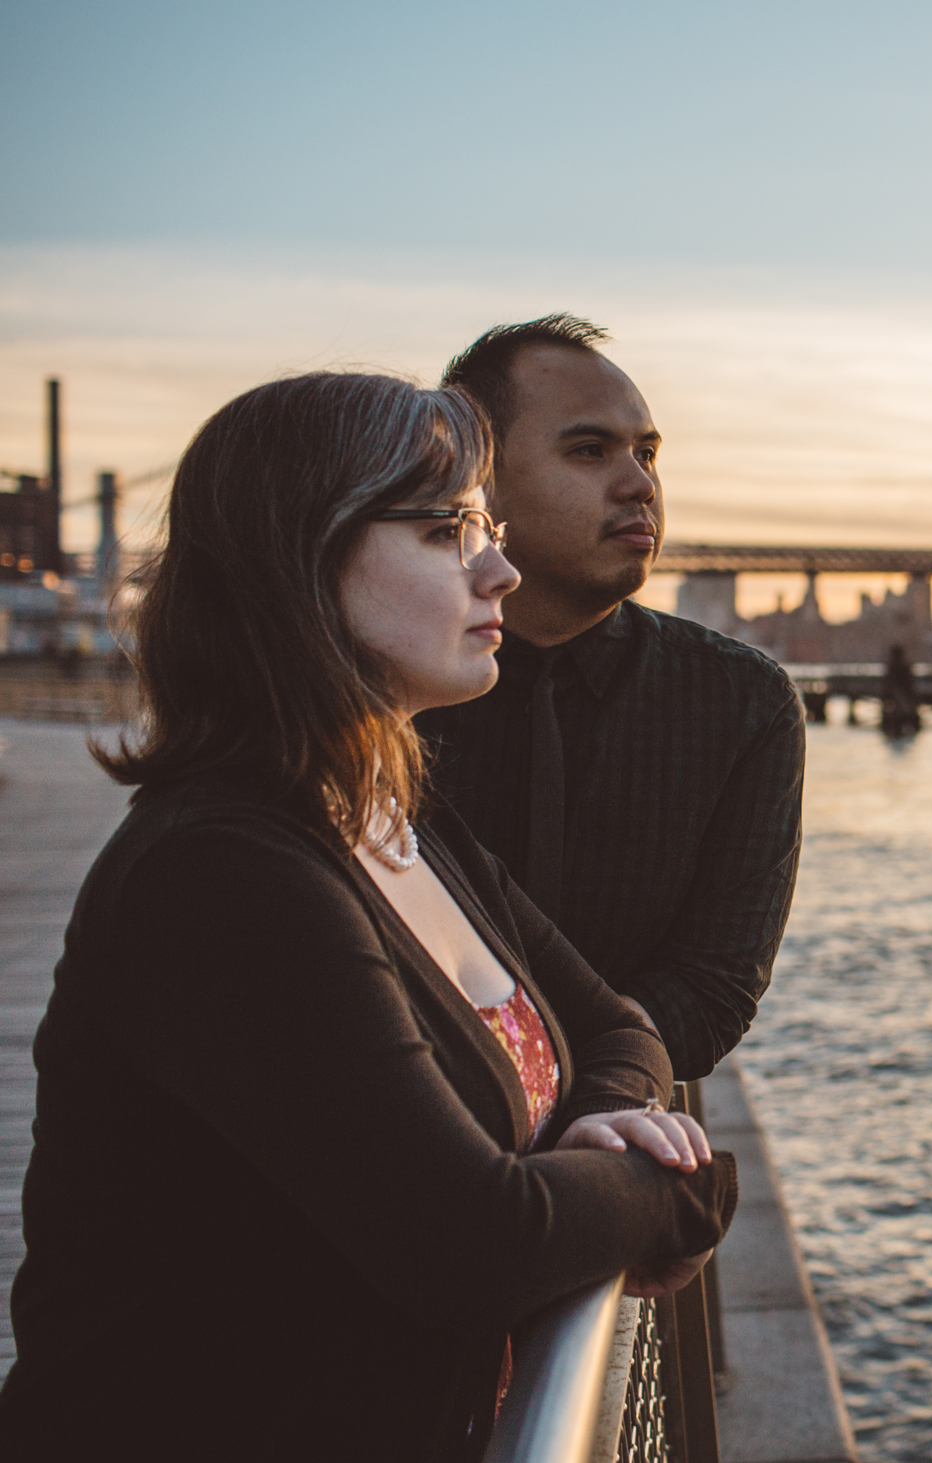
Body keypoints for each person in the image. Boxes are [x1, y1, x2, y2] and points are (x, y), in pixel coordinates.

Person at [0, 374, 738, 1462]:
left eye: (483, 523)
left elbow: (620, 1024)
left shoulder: (395, 815)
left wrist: (591, 1128)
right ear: (299, 561)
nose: (500, 566)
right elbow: (474, 1241)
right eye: (447, 531)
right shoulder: (222, 871)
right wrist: (672, 1190)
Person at [417, 316, 804, 1083]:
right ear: (476, 478)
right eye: (590, 451)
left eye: (648, 453)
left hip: (626, 1147)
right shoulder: (386, 689)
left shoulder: (743, 705)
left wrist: (584, 1094)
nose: (640, 485)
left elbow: (712, 989)